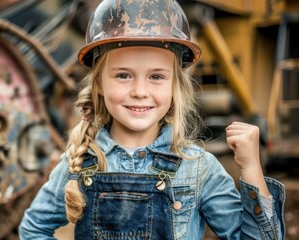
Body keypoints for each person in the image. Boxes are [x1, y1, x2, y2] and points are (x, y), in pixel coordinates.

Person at [19, 0, 285, 239]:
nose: (139, 91)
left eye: (156, 76)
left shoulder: (198, 169)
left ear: (175, 86)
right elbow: (33, 228)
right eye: (123, 75)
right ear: (99, 83)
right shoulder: (79, 162)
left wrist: (251, 168)